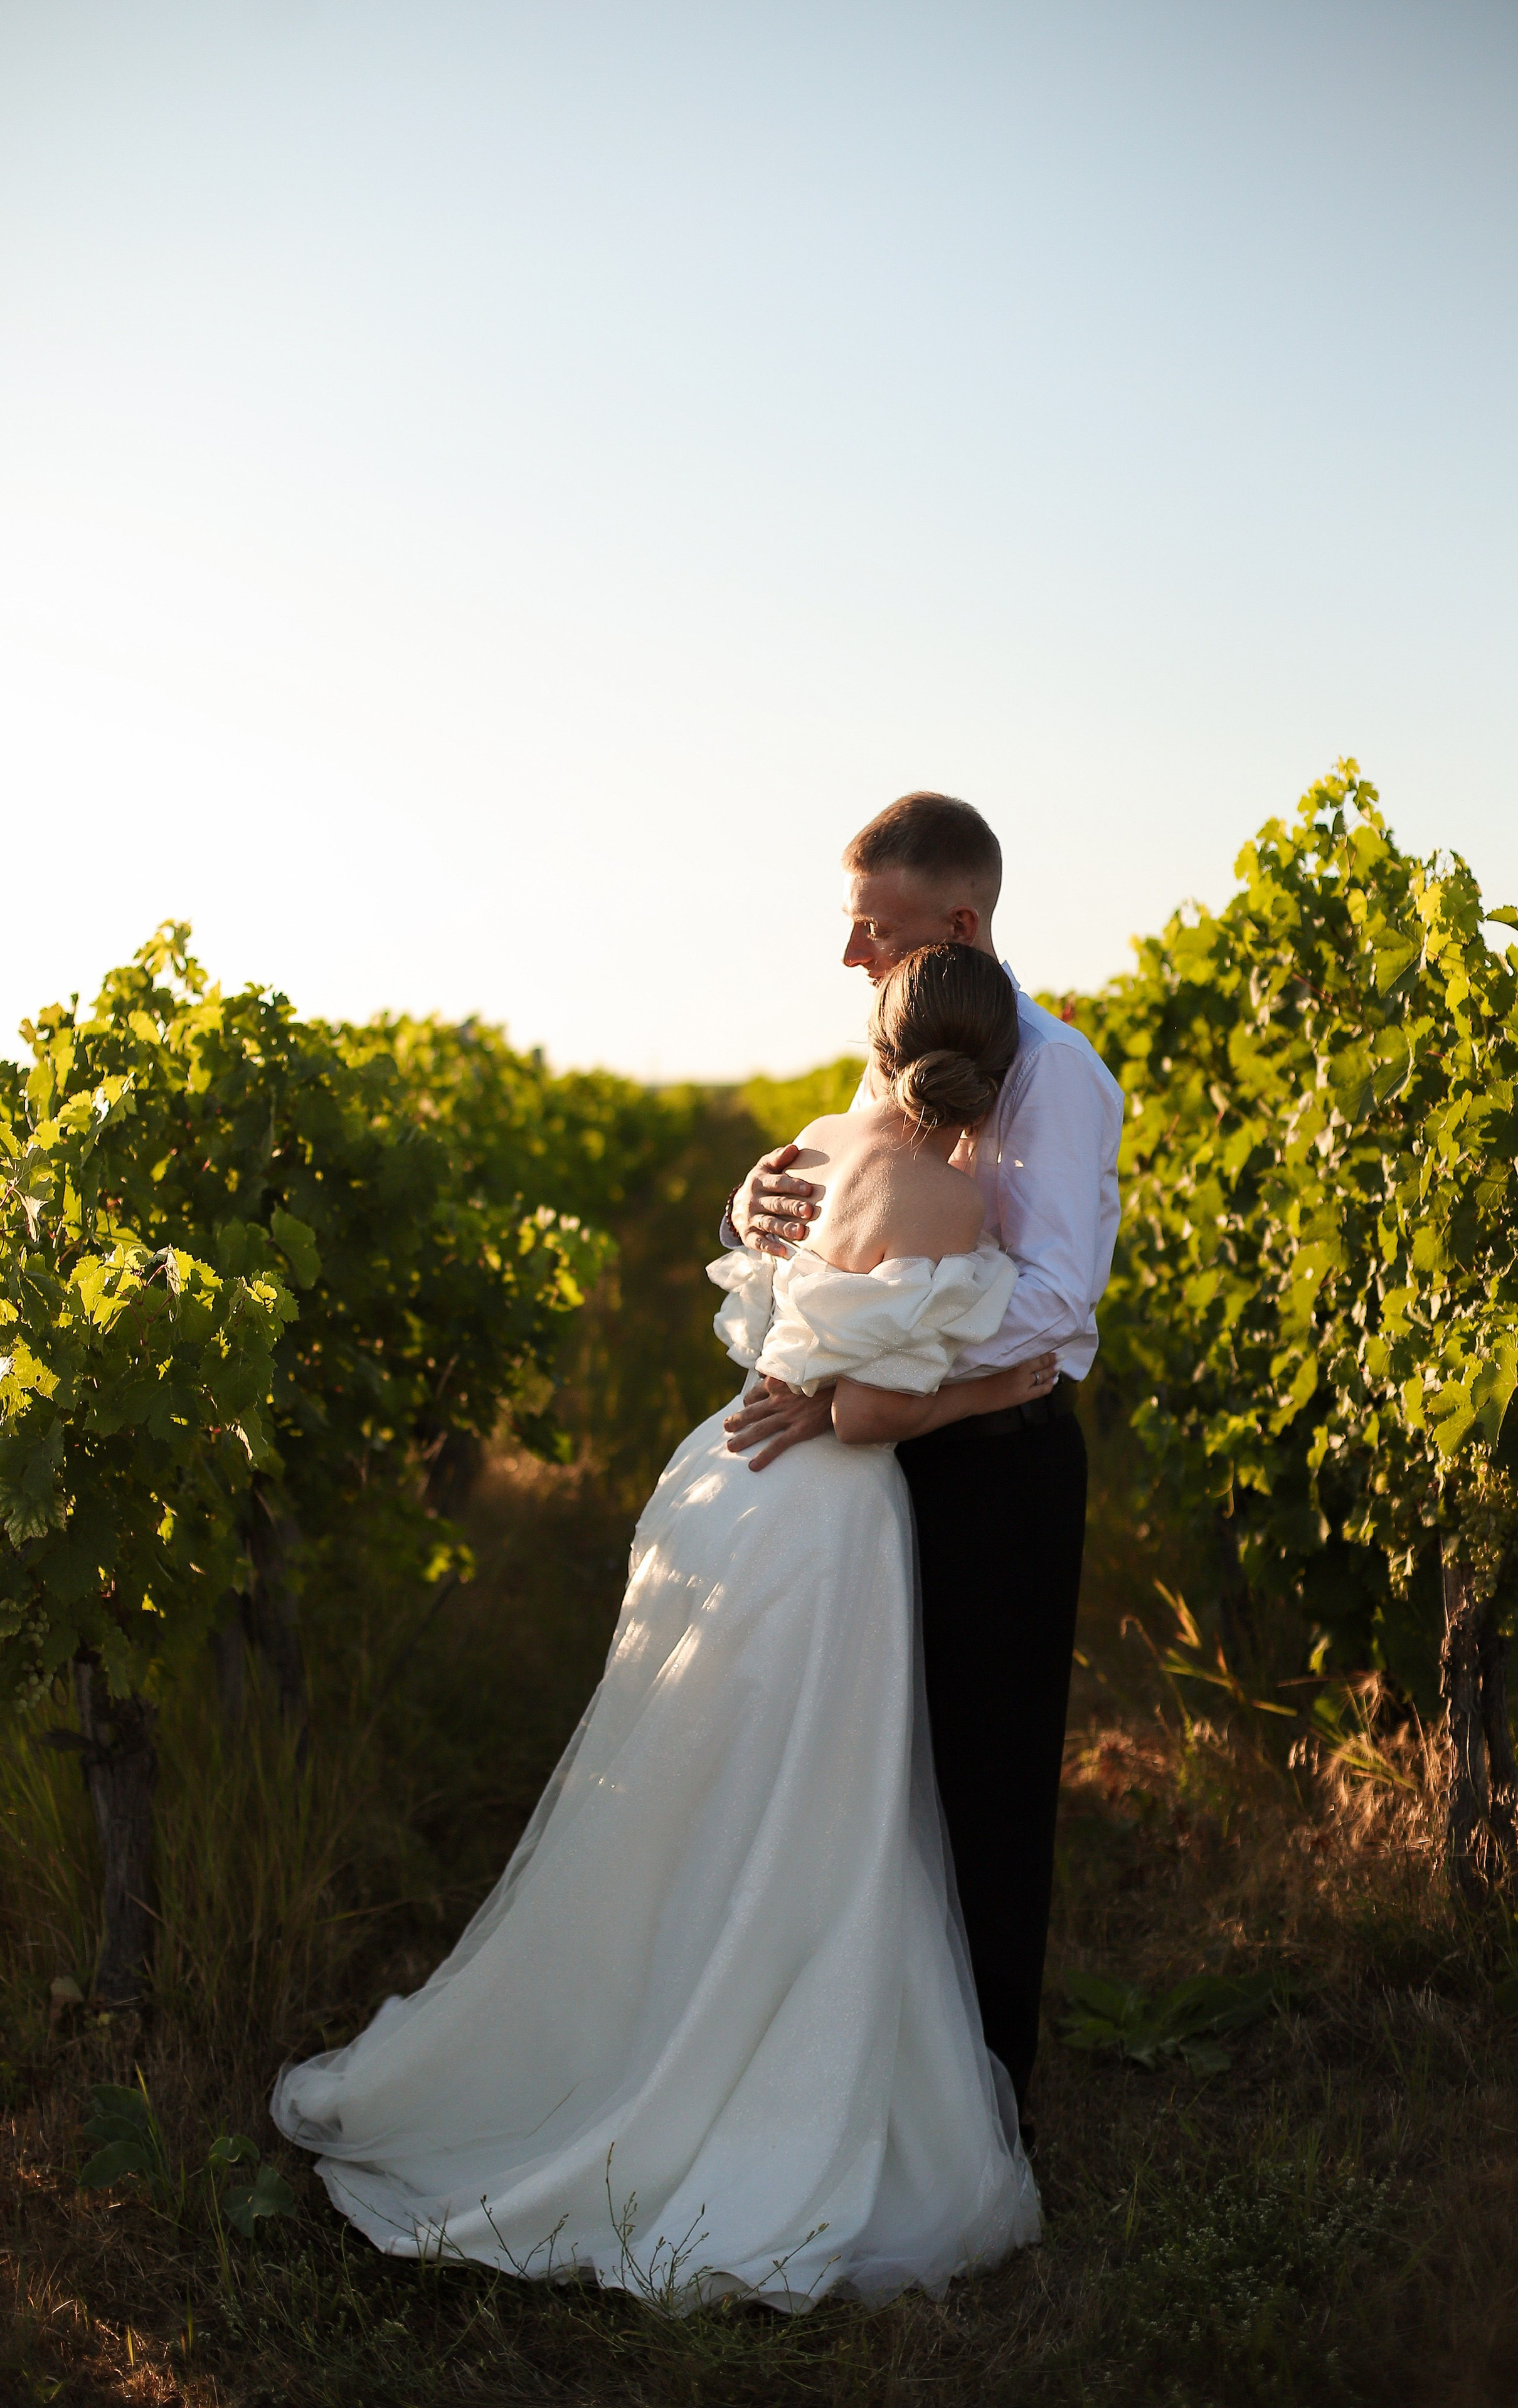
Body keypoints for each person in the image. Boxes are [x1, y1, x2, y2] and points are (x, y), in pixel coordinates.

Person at [272, 944, 1052, 2311]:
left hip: (716, 1487)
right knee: (810, 1807)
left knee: (684, 1787)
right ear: (996, 1074)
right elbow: (866, 1409)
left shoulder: (810, 1147)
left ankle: (628, 2022)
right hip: (825, 1521)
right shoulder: (960, 1205)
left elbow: (764, 1327)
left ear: (879, 1041)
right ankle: (738, 2061)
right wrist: (1009, 1387)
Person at [723, 792, 1123, 2133]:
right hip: (892, 1453)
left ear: (955, 923)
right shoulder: (905, 1048)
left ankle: (984, 2108)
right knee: (878, 1776)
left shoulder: (1053, 1073)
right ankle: (877, 2078)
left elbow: (1052, 1302)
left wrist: (874, 1386)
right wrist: (754, 1204)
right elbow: (846, 1206)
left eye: (870, 933)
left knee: (988, 1785)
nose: (850, 961)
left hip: (997, 1465)